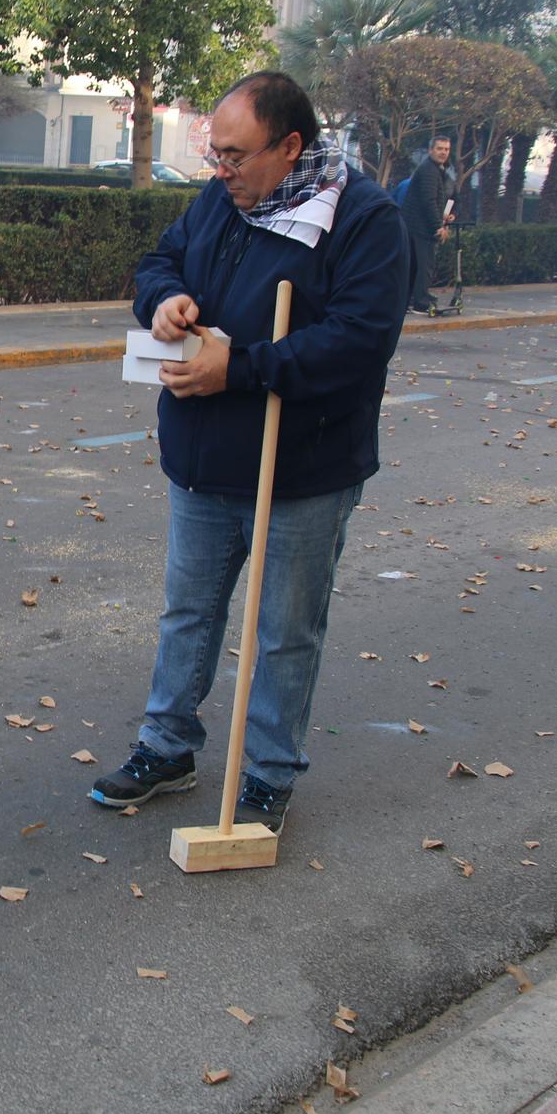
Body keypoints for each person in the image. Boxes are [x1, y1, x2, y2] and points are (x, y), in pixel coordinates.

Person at [89, 71, 408, 836]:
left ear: (290, 147)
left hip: (300, 467)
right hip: (201, 456)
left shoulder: (362, 219)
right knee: (187, 612)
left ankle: (267, 772)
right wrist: (161, 300)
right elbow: (161, 258)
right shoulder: (223, 200)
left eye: (236, 156)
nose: (220, 171)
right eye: (215, 154)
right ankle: (167, 746)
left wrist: (242, 366)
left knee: (283, 629)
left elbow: (358, 344)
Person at [402, 136, 456, 314]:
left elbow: (432, 200)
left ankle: (412, 299)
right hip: (421, 227)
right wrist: (437, 226)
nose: (443, 152)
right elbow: (428, 201)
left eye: (446, 149)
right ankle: (421, 302)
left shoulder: (433, 169)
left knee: (415, 266)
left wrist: (444, 216)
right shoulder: (429, 171)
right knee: (425, 266)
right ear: (431, 150)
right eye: (440, 148)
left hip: (414, 225)